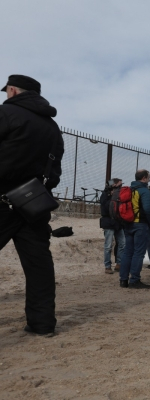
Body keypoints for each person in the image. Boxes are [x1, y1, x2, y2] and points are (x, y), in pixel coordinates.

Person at [0, 75, 64, 336]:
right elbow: (55, 173)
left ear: (12, 90)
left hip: (1, 199)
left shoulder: (5, 113)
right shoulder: (53, 128)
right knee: (39, 266)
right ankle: (42, 324)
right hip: (34, 205)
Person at [119, 169, 150, 289]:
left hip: (128, 223)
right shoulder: (144, 190)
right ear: (144, 178)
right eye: (148, 177)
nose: (149, 180)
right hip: (140, 224)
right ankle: (134, 280)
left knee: (128, 252)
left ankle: (123, 280)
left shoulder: (130, 189)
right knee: (139, 253)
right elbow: (148, 210)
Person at [99, 178, 125, 274]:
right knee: (108, 246)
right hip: (108, 222)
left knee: (123, 243)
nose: (120, 187)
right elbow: (104, 207)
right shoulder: (106, 194)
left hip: (118, 223)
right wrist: (111, 194)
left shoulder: (120, 194)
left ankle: (119, 263)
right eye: (119, 185)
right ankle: (107, 266)